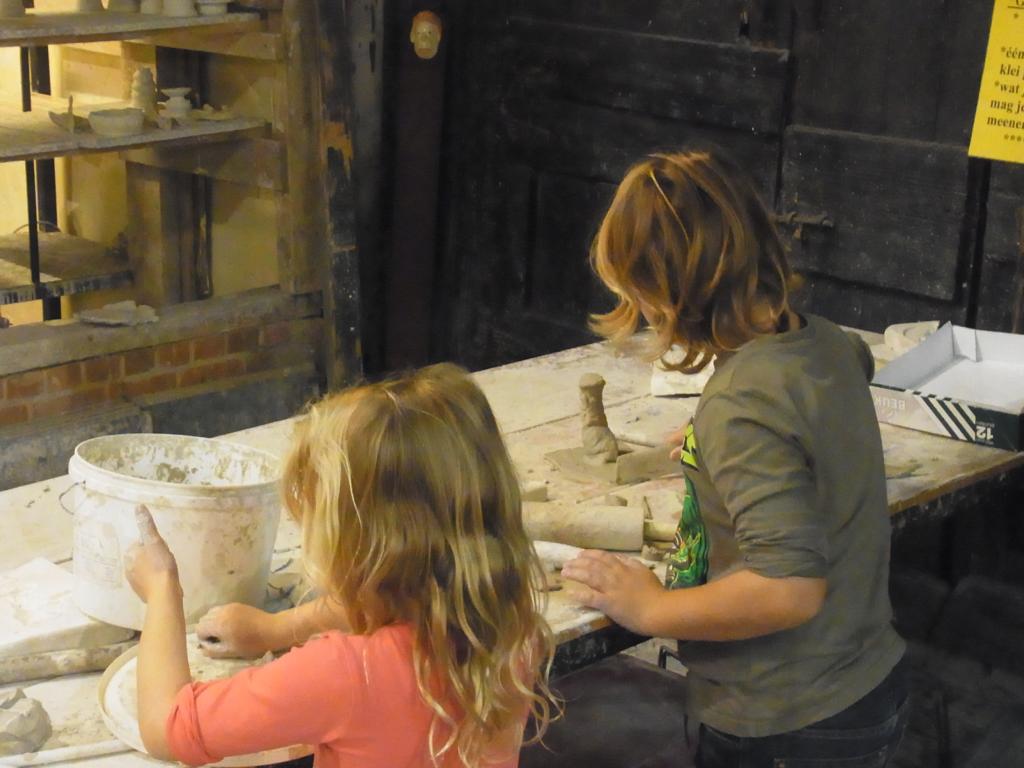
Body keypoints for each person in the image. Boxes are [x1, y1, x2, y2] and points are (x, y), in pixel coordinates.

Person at [561, 150, 907, 768]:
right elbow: (837, 381)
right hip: (861, 682)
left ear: (667, 292)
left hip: (788, 721)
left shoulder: (742, 405)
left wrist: (651, 609)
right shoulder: (826, 342)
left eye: (637, 295)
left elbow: (789, 589)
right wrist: (717, 439)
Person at [125, 363, 556, 768]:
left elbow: (167, 727)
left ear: (357, 545)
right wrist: (276, 628)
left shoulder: (344, 673)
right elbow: (394, 604)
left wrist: (162, 589)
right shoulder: (511, 623)